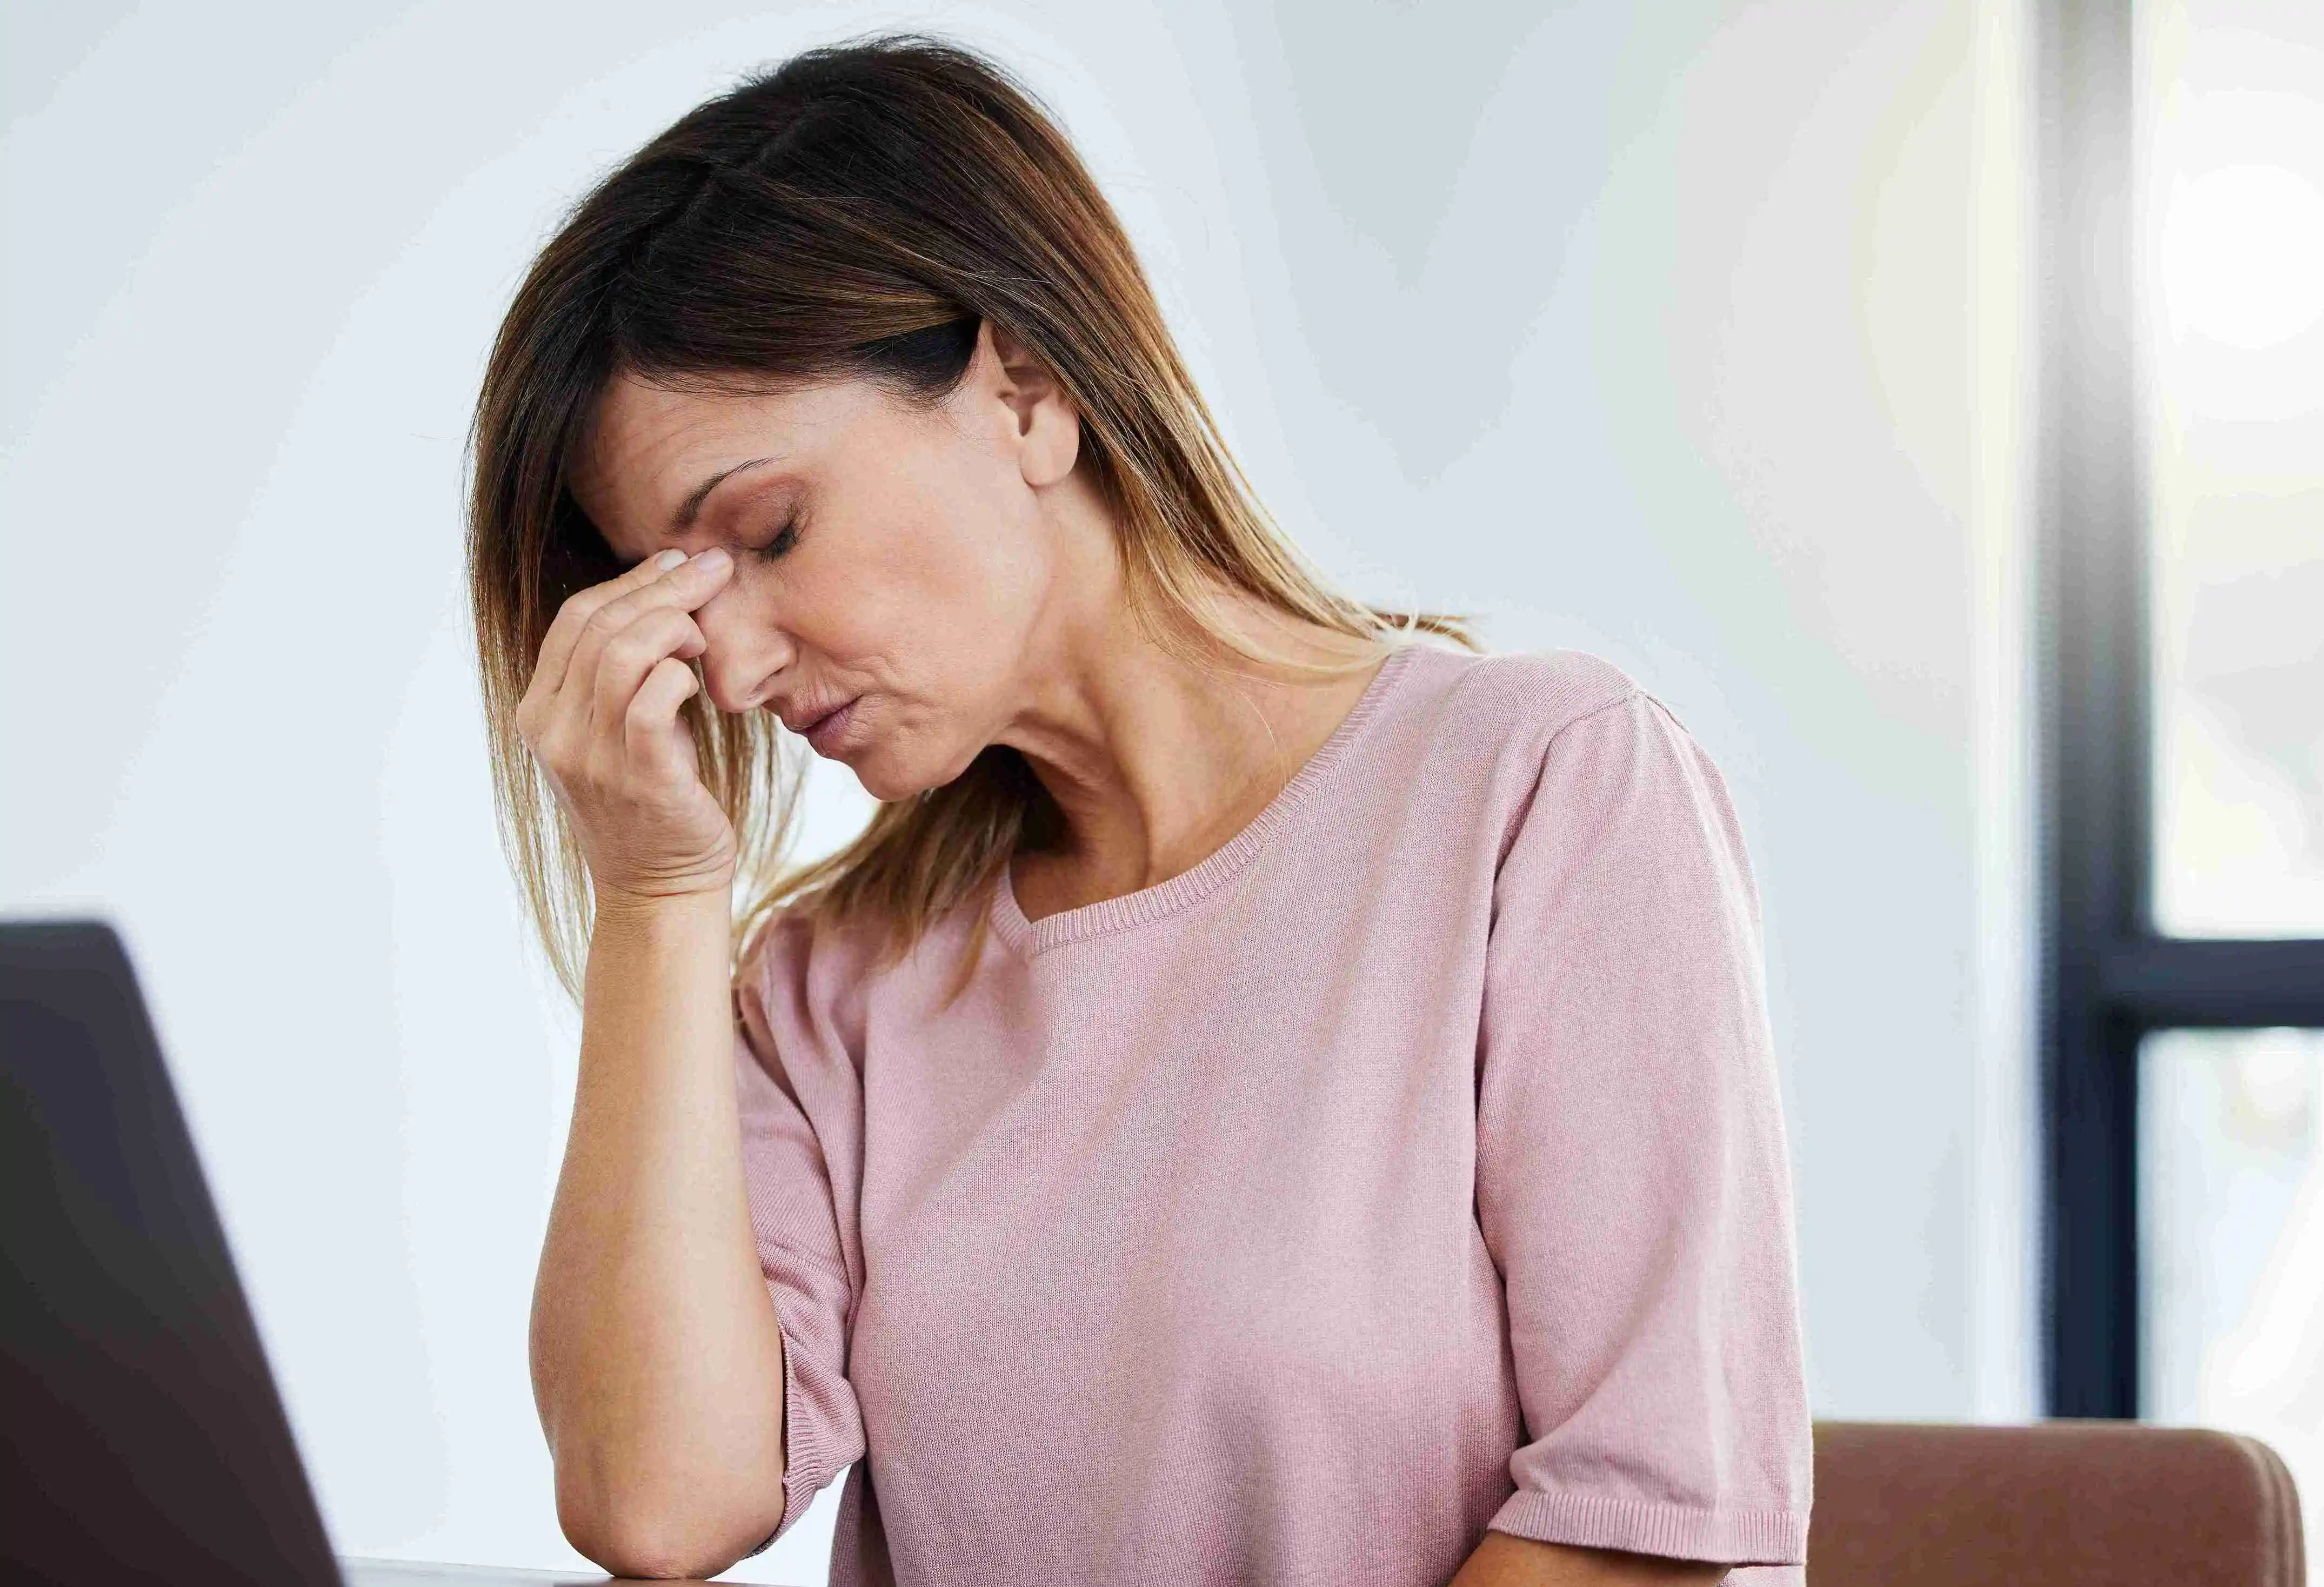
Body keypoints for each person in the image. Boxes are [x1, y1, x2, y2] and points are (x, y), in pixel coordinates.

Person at [466, 34, 1812, 1587]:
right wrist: (649, 898)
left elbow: (1642, 1530)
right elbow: (655, 1506)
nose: (736, 666)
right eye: (680, 605)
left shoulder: (1535, 789)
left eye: (766, 533)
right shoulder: (837, 979)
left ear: (1024, 392)